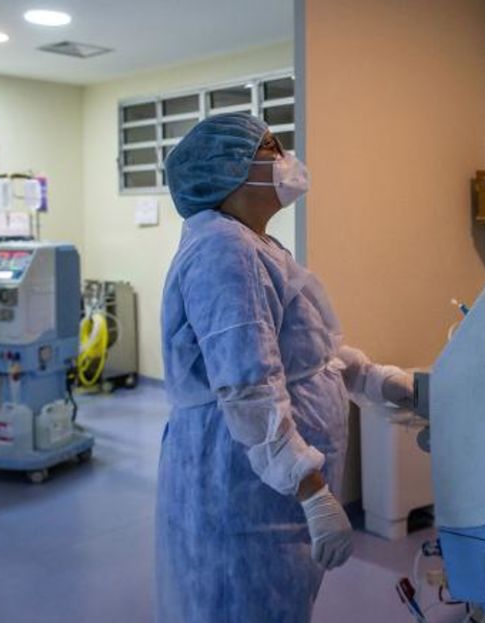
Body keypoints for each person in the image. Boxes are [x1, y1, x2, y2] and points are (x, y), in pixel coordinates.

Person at [156, 112, 414, 622]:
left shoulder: (253, 244)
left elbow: (299, 353)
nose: (285, 160)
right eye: (271, 149)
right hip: (245, 487)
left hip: (266, 488)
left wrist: (373, 379)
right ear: (230, 172)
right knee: (241, 606)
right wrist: (311, 492)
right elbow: (248, 386)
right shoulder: (224, 250)